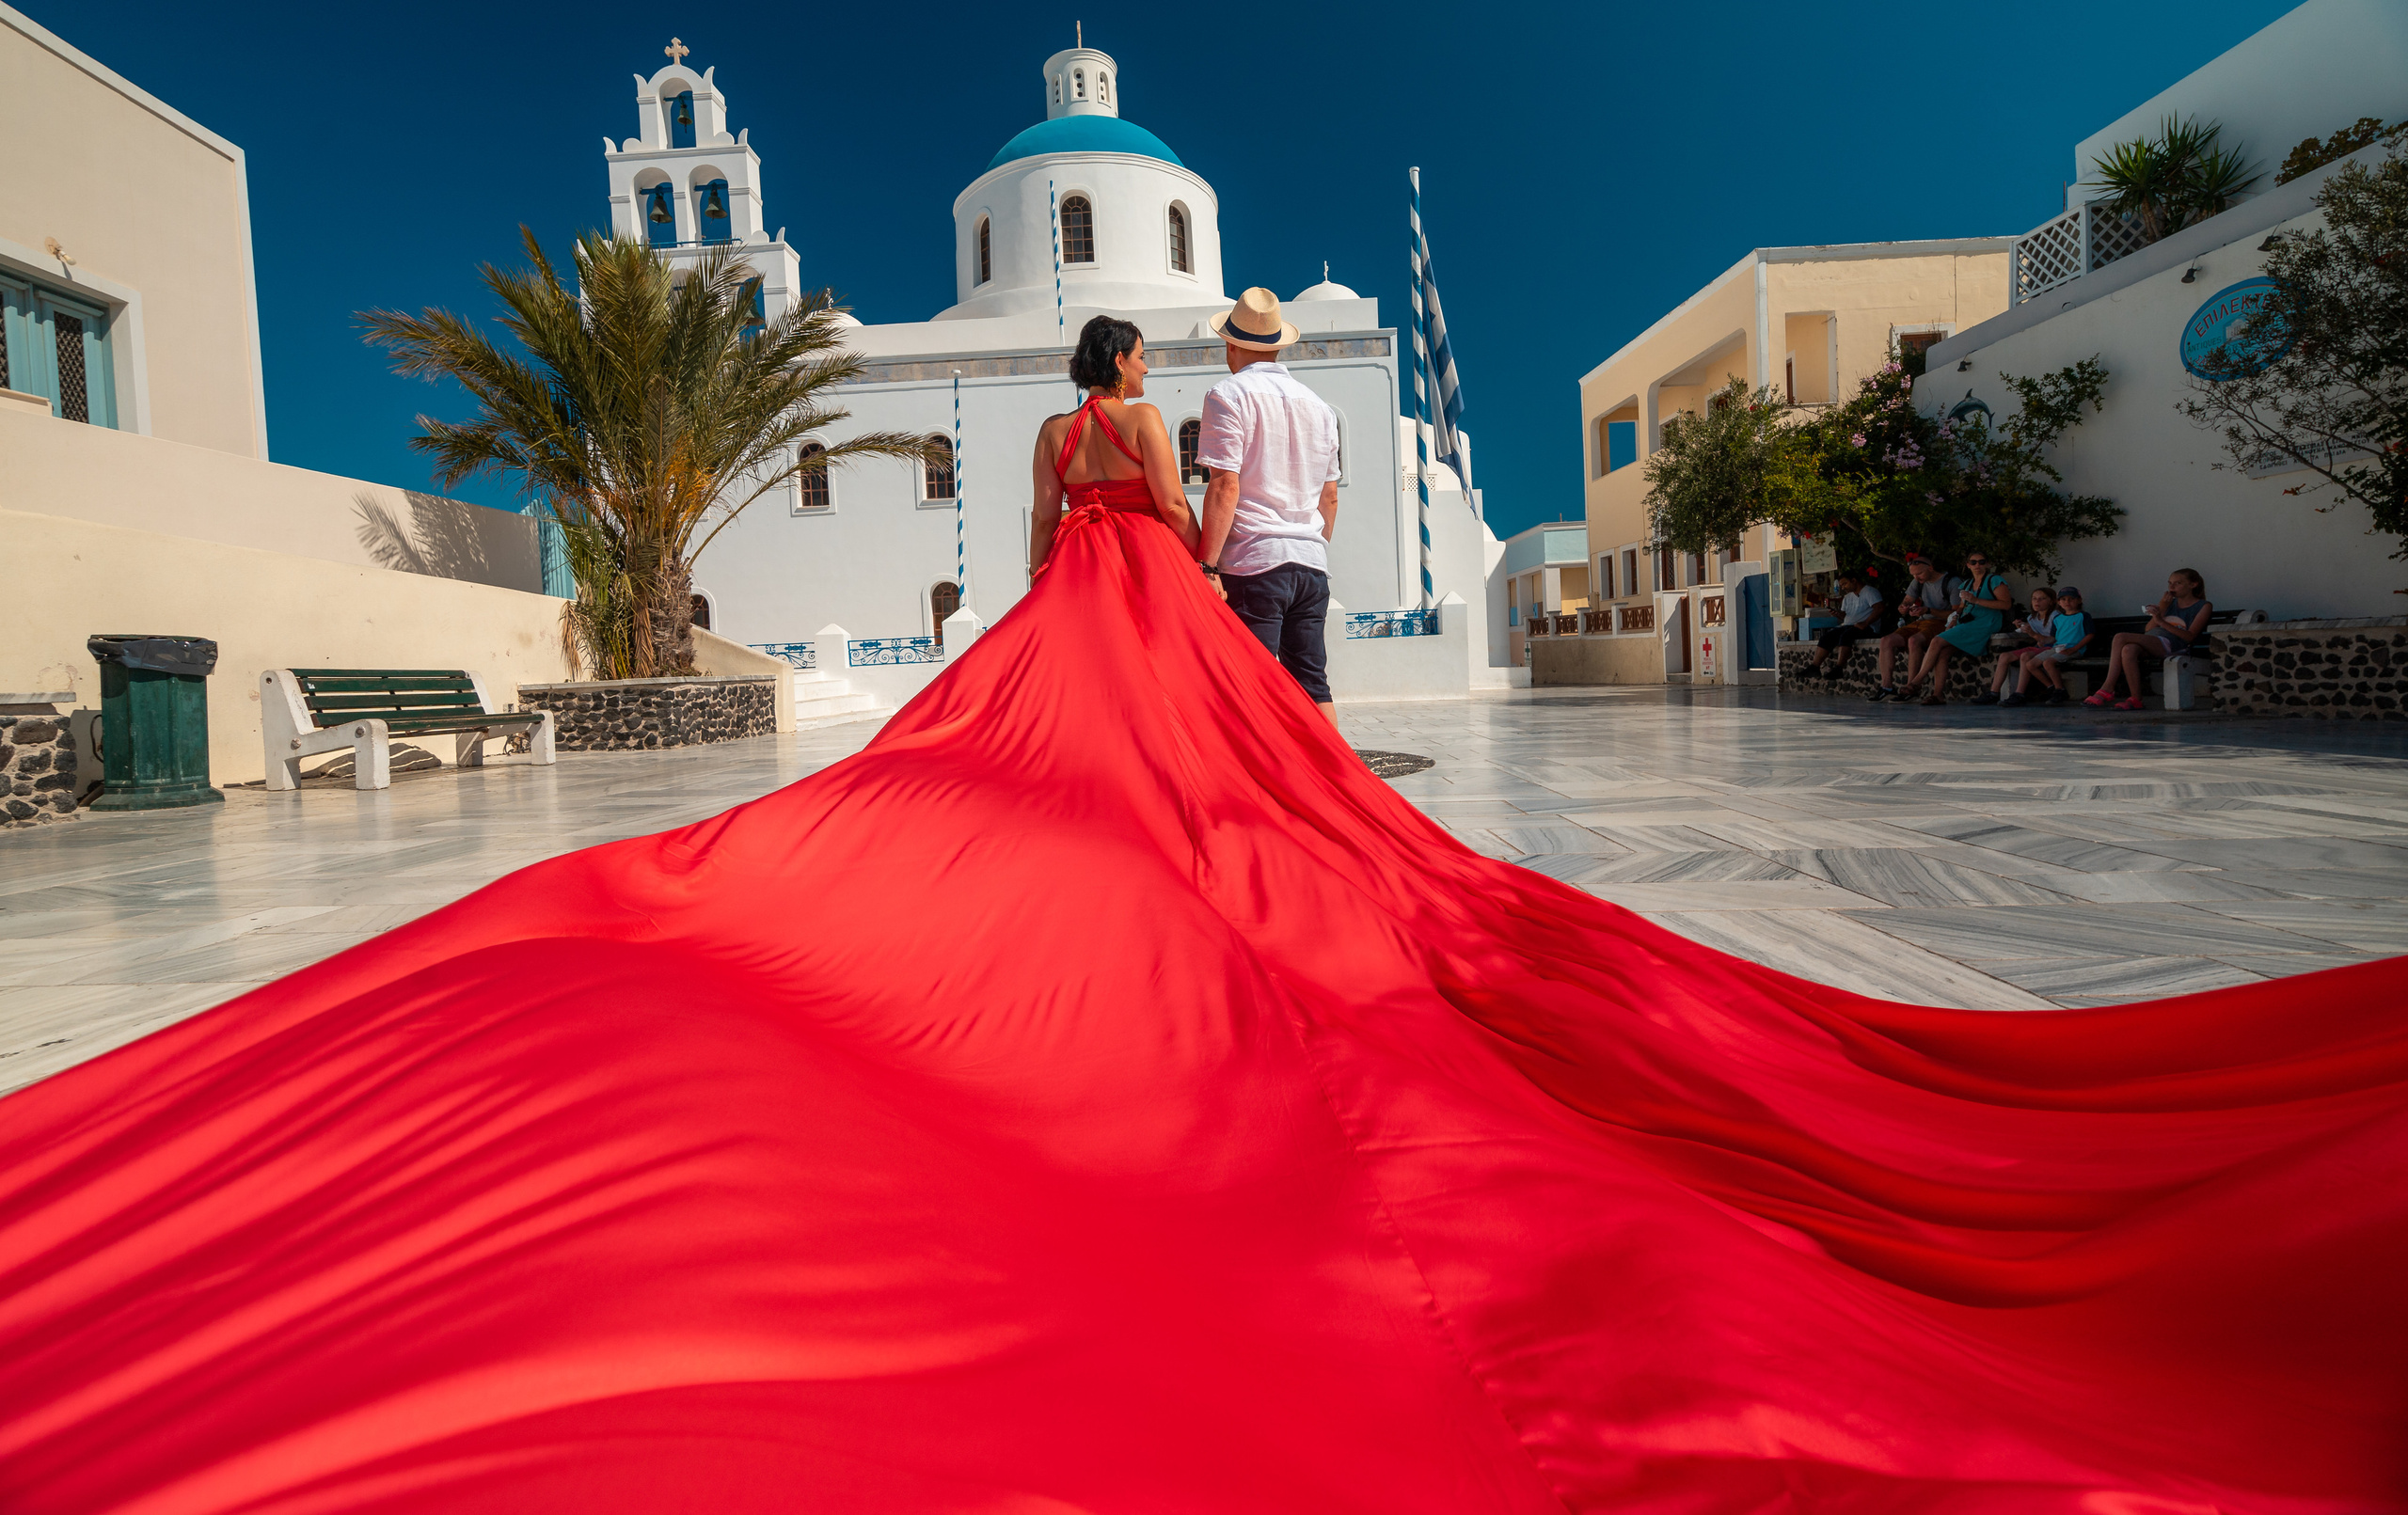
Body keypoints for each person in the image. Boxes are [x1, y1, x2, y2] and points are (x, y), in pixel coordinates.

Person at [1, 421, 2404, 1515]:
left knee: (1090, 738)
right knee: (1226, 745)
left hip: (1080, 609)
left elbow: (1072, 519)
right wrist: (1186, 540)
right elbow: (1199, 517)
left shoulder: (1066, 449)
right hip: (1169, 605)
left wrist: (1088, 543)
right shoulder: (1159, 445)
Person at [1195, 287, 1344, 728]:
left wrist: (1207, 566)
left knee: (1250, 686)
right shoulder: (1319, 407)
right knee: (1313, 683)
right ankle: (1334, 768)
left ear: (1231, 345)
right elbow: (1330, 496)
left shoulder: (1227, 395)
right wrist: (1311, 544)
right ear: (1278, 346)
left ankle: (1260, 772)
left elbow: (1225, 485)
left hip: (1255, 564)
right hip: (1311, 564)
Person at [1029, 315, 1202, 573]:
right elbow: (1172, 506)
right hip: (1145, 554)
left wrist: (1037, 575)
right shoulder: (1143, 417)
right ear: (1120, 360)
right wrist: (1205, 563)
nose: (1145, 369)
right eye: (1141, 357)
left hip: (1081, 560)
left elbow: (1044, 519)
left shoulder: (1052, 431)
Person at [2087, 567, 2212, 710]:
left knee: (2120, 637)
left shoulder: (2203, 606)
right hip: (2154, 641)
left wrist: (2162, 621)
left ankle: (2108, 687)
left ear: (2193, 584)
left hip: (2175, 645)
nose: (2172, 587)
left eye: (2178, 583)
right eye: (2170, 583)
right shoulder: (2169, 604)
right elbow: (2148, 629)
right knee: (2128, 649)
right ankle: (2136, 699)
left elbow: (2190, 636)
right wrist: (2162, 608)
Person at [1905, 552, 2014, 706]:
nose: (1977, 565)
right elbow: (1962, 607)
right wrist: (1954, 618)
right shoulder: (1967, 584)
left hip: (1986, 622)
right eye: (1973, 562)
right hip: (1968, 622)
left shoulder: (1995, 581)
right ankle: (1938, 695)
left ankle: (1917, 681)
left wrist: (1976, 600)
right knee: (1943, 653)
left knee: (1937, 641)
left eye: (1981, 562)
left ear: (1988, 564)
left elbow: (2005, 604)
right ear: (1968, 565)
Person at [1864, 552, 1961, 702]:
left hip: (1941, 622)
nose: (1916, 578)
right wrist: (1904, 607)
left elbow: (1956, 612)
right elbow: (1908, 599)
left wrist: (1928, 610)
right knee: (1886, 640)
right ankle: (1887, 687)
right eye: (1913, 575)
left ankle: (1911, 687)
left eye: (1919, 574)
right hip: (1920, 621)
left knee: (1914, 641)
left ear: (1930, 568)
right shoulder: (1918, 582)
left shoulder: (1952, 582)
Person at [2003, 584, 2094, 705]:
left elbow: (2090, 635)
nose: (2067, 602)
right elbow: (2053, 638)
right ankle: (2052, 687)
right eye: (2063, 599)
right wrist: (2036, 636)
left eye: (2071, 599)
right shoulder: (2058, 619)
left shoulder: (2083, 616)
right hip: (2058, 647)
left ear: (2079, 600)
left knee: (2048, 662)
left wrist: (2073, 649)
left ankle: (2059, 689)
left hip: (2074, 649)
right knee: (2030, 664)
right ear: (2059, 602)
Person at [1972, 586, 2056, 704]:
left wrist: (2032, 633)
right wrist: (2023, 627)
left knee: (2025, 656)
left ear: (2051, 601)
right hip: (2040, 647)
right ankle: (1994, 693)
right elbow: (2036, 636)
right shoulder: (2032, 618)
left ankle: (2019, 693)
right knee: (2004, 656)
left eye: (2042, 599)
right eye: (2034, 598)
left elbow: (2053, 639)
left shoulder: (2056, 617)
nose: (2037, 601)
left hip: (2052, 647)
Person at [1798, 569, 1884, 680]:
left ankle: (1839, 668)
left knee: (1846, 636)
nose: (1843, 588)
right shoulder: (1847, 597)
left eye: (1845, 584)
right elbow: (1845, 616)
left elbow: (1879, 608)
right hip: (1849, 625)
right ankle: (1814, 667)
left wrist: (1865, 623)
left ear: (1854, 581)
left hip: (1867, 627)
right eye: (1841, 585)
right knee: (1828, 636)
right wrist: (1837, 614)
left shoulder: (1869, 592)